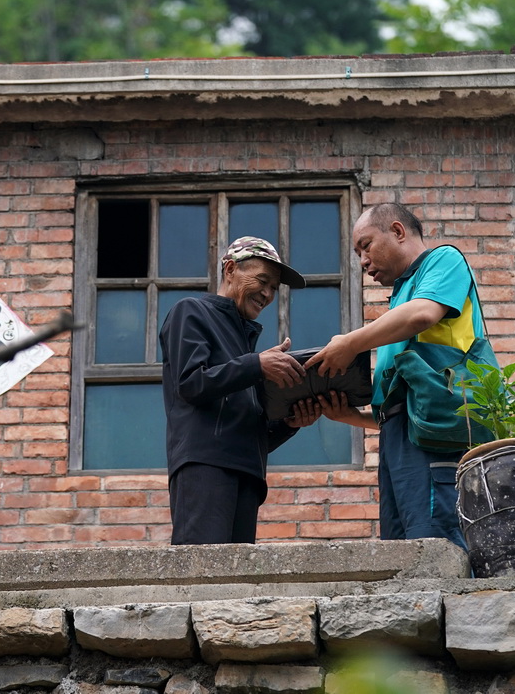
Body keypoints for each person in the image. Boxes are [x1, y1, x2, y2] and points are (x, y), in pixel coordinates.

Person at [307, 203, 487, 548]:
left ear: (398, 231)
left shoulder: (443, 261)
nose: (363, 261)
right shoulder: (400, 298)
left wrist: (349, 343)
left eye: (366, 245)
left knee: (435, 540)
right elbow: (415, 410)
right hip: (401, 445)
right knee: (402, 548)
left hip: (434, 447)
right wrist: (354, 417)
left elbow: (422, 314)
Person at [160, 236, 321, 545]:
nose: (268, 293)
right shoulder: (190, 311)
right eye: (262, 280)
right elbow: (191, 383)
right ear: (230, 269)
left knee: (237, 581)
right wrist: (256, 365)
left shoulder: (246, 344)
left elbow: (247, 432)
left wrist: (290, 423)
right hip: (204, 468)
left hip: (248, 475)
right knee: (203, 573)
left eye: (274, 287)